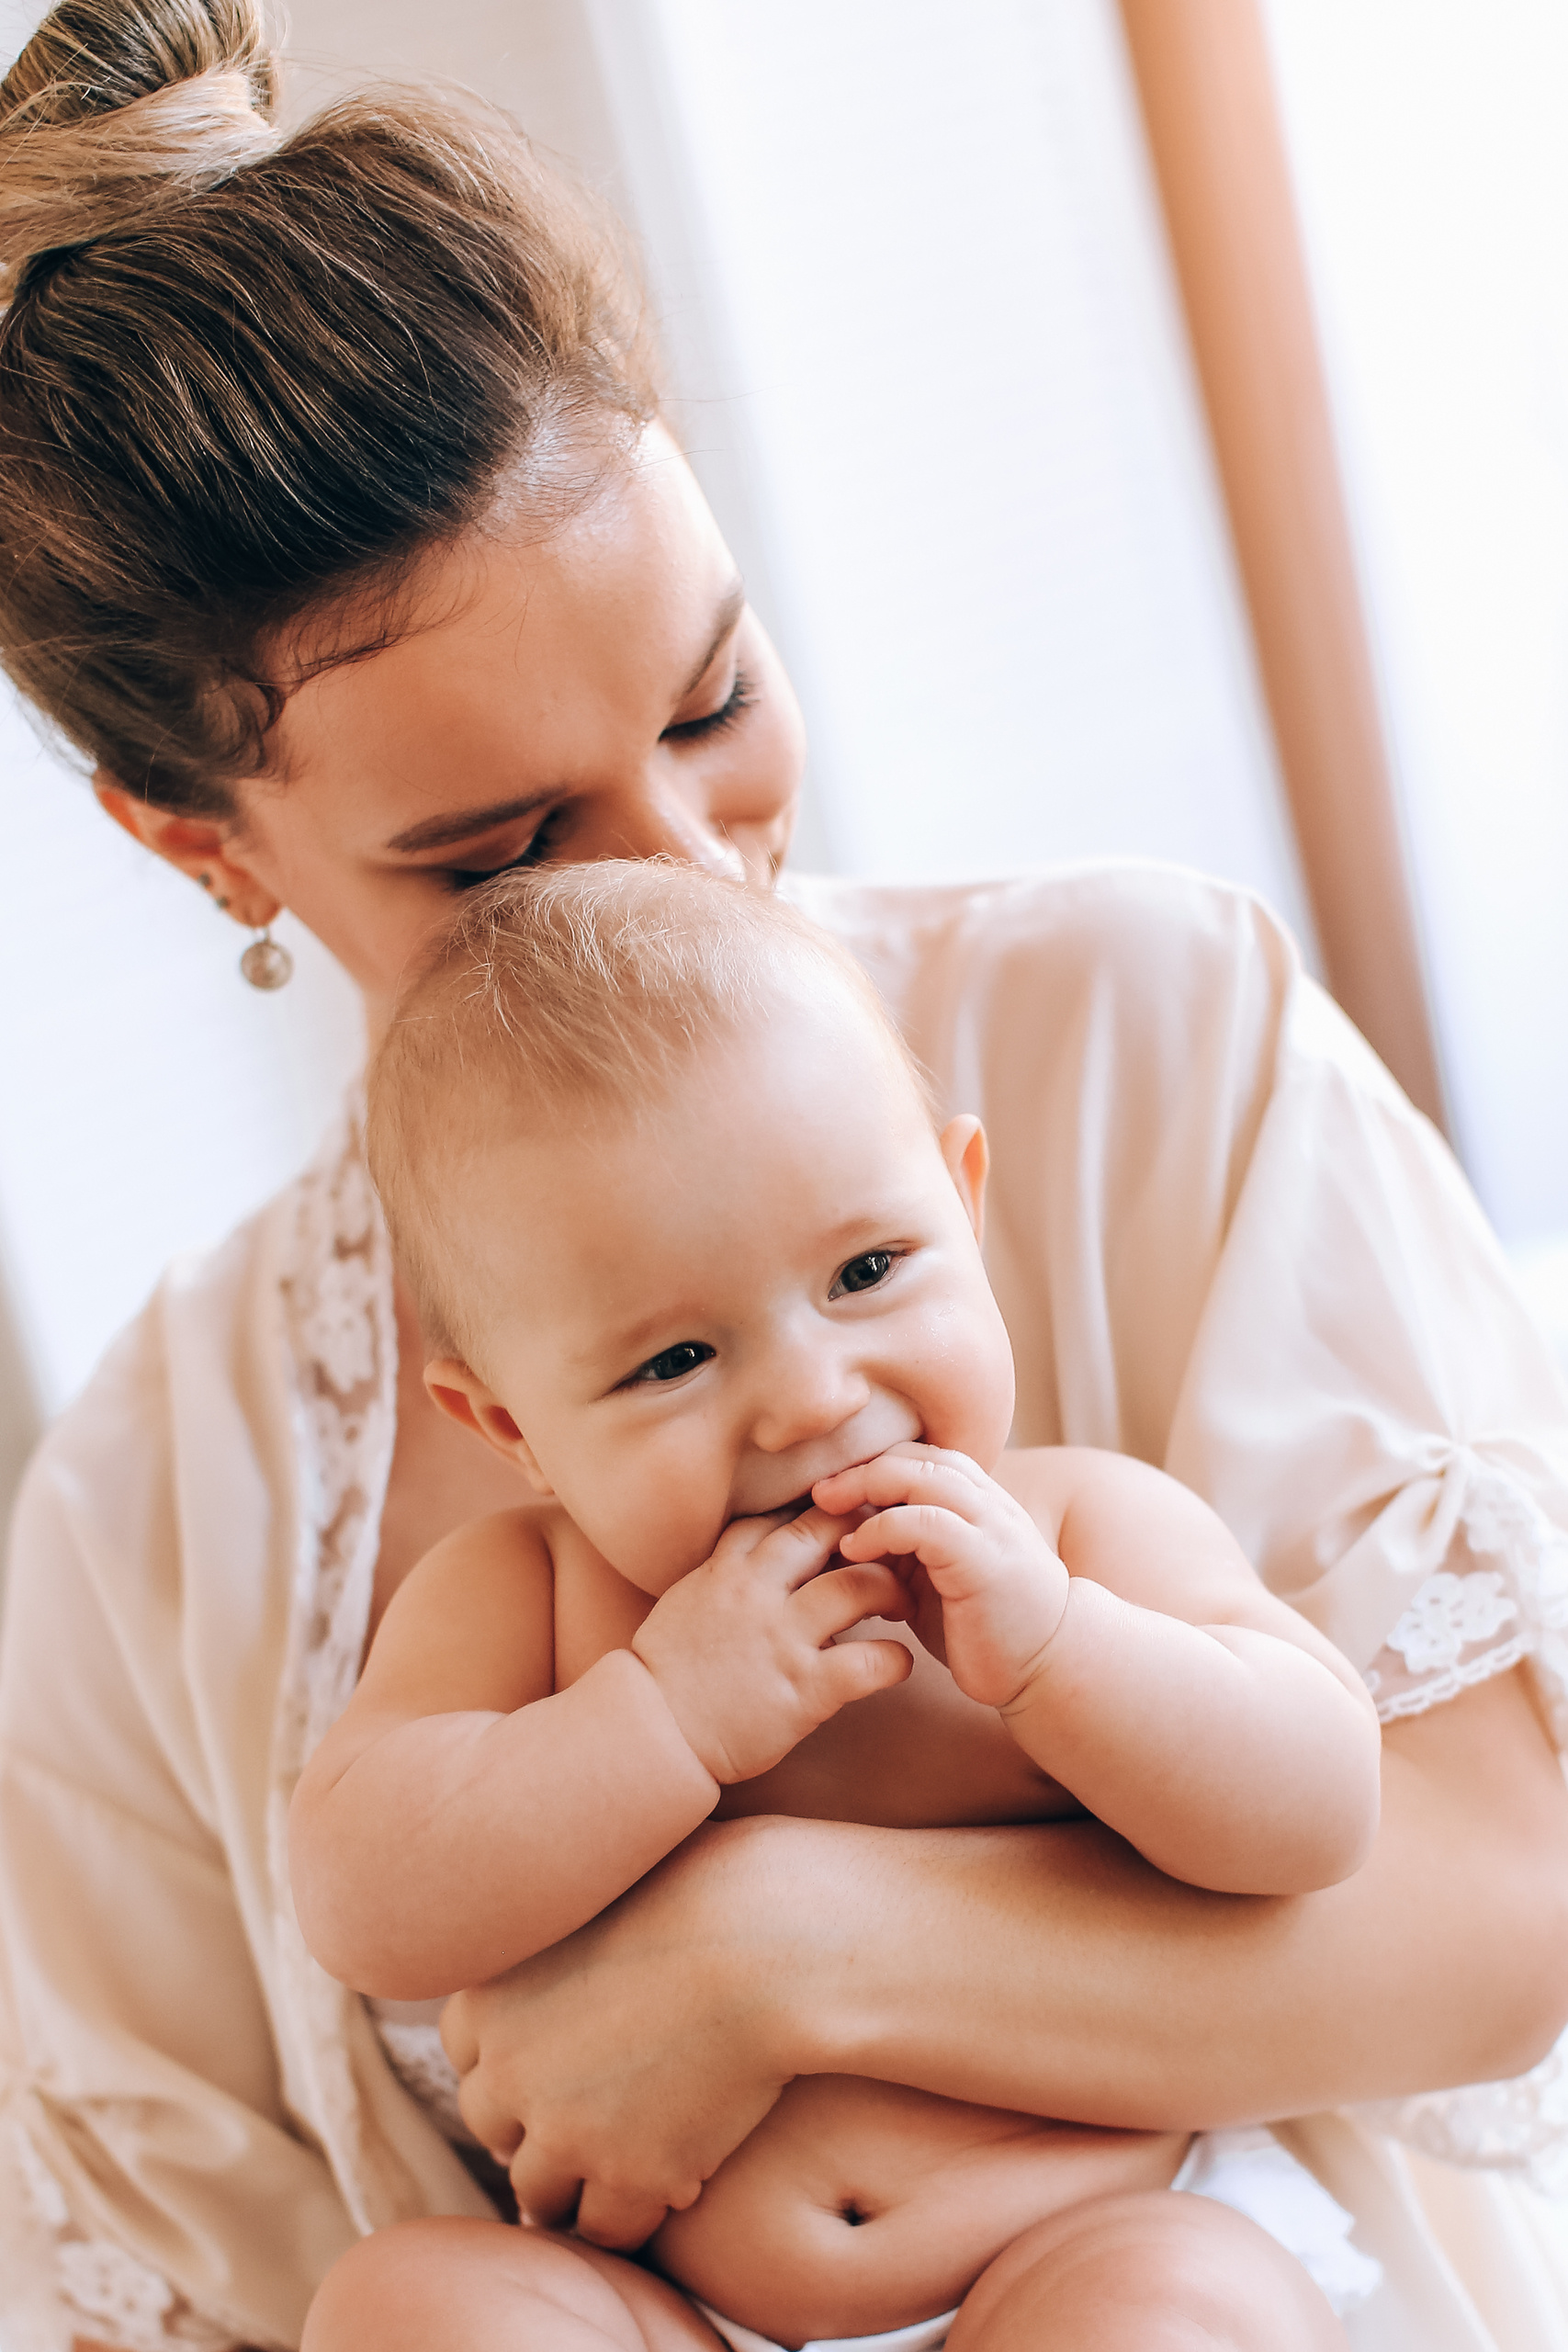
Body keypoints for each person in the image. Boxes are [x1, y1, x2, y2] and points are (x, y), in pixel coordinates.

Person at [1, 4, 1568, 2350]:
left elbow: (1493, 1899)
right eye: (503, 853)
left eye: (713, 698)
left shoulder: (1138, 1035)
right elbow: (183, 2279)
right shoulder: (164, 1503)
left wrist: (769, 1947)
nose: (690, 874)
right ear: (192, 836)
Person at [290, 861, 1383, 2351]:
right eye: (673, 1364)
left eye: (867, 1270)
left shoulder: (1076, 1527)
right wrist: (659, 1714)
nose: (810, 1397)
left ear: (966, 1203)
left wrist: (1066, 1648)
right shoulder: (527, 1595)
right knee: (407, 2308)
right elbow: (365, 1901)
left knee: (1177, 2316)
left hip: (1082, 2244)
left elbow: (1319, 1806)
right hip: (676, 2311)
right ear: (513, 1430)